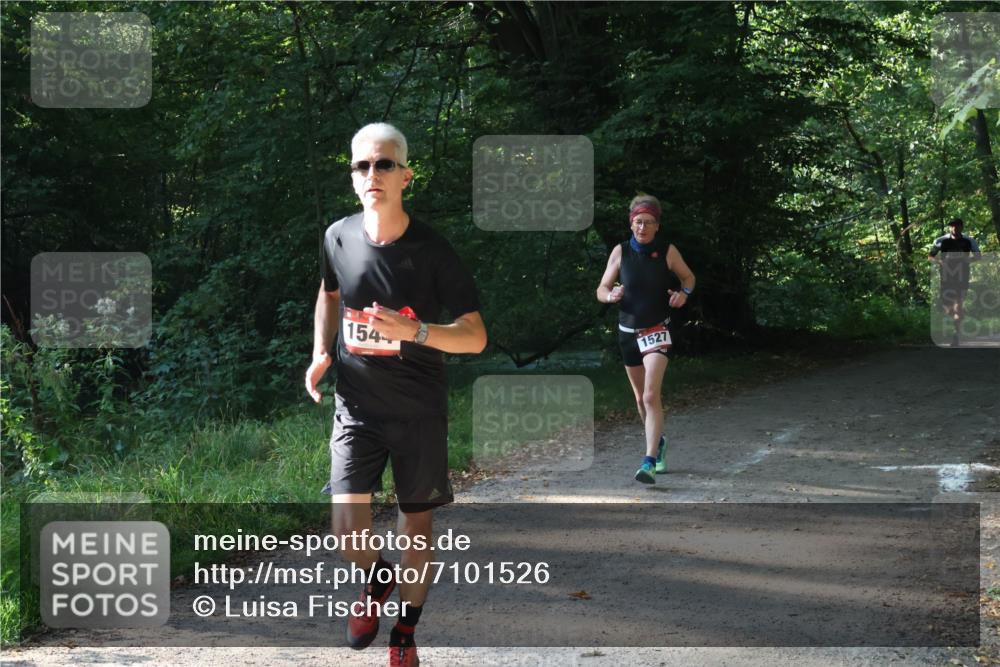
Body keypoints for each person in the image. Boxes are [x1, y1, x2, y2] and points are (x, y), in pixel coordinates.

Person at [305, 122, 487, 666]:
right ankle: (379, 577)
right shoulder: (338, 236)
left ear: (405, 175)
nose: (372, 174)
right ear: (352, 177)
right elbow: (328, 293)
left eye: (384, 164)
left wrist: (417, 331)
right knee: (346, 531)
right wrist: (320, 352)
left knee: (416, 527)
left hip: (417, 410)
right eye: (362, 165)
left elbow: (475, 336)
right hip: (356, 405)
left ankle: (405, 631)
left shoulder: (432, 250)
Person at [596, 193, 695, 484]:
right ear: (631, 223)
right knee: (640, 398)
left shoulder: (667, 251)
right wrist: (610, 295)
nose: (643, 227)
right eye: (638, 221)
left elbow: (689, 278)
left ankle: (649, 461)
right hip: (627, 332)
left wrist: (683, 295)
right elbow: (601, 288)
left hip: (656, 330)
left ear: (657, 226)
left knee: (651, 395)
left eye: (649, 222)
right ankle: (659, 442)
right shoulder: (621, 251)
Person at [929, 217, 981, 347]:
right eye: (952, 226)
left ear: (962, 227)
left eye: (957, 225)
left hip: (962, 277)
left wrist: (967, 260)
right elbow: (930, 256)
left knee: (958, 306)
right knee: (947, 309)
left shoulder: (969, 241)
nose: (954, 228)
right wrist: (940, 262)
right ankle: (961, 315)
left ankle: (956, 335)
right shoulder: (940, 241)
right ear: (949, 227)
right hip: (946, 277)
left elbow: (978, 256)